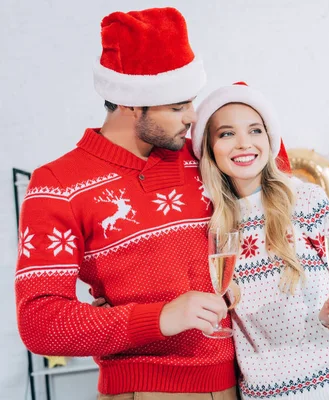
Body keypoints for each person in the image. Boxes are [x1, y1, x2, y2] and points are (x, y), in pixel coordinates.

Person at [15, 8, 289, 399]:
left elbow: (276, 169)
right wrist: (159, 317)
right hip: (142, 390)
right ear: (130, 105)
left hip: (237, 384)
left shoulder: (199, 155)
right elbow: (39, 323)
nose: (192, 117)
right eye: (178, 107)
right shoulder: (57, 184)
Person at [191, 82, 329, 399]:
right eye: (226, 134)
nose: (243, 143)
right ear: (209, 148)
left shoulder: (307, 199)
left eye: (254, 130)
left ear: (269, 138)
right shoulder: (212, 227)